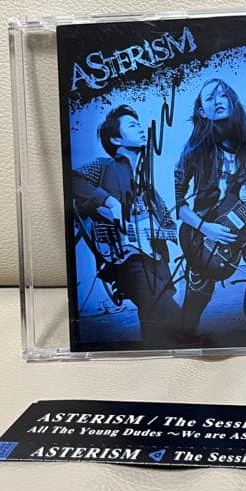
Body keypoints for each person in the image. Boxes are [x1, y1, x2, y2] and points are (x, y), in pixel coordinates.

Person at [174, 78, 246, 339]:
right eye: (210, 98)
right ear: (201, 110)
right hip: (210, 234)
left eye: (223, 95)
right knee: (193, 307)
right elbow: (179, 206)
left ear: (233, 102)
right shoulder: (193, 153)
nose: (218, 100)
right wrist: (206, 228)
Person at [71, 105, 180, 347]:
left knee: (153, 323)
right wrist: (110, 202)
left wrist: (174, 231)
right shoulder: (103, 167)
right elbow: (71, 180)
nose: (141, 129)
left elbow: (170, 225)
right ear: (116, 139)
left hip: (155, 263)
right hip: (124, 260)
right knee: (175, 318)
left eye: (139, 125)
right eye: (132, 125)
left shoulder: (147, 186)